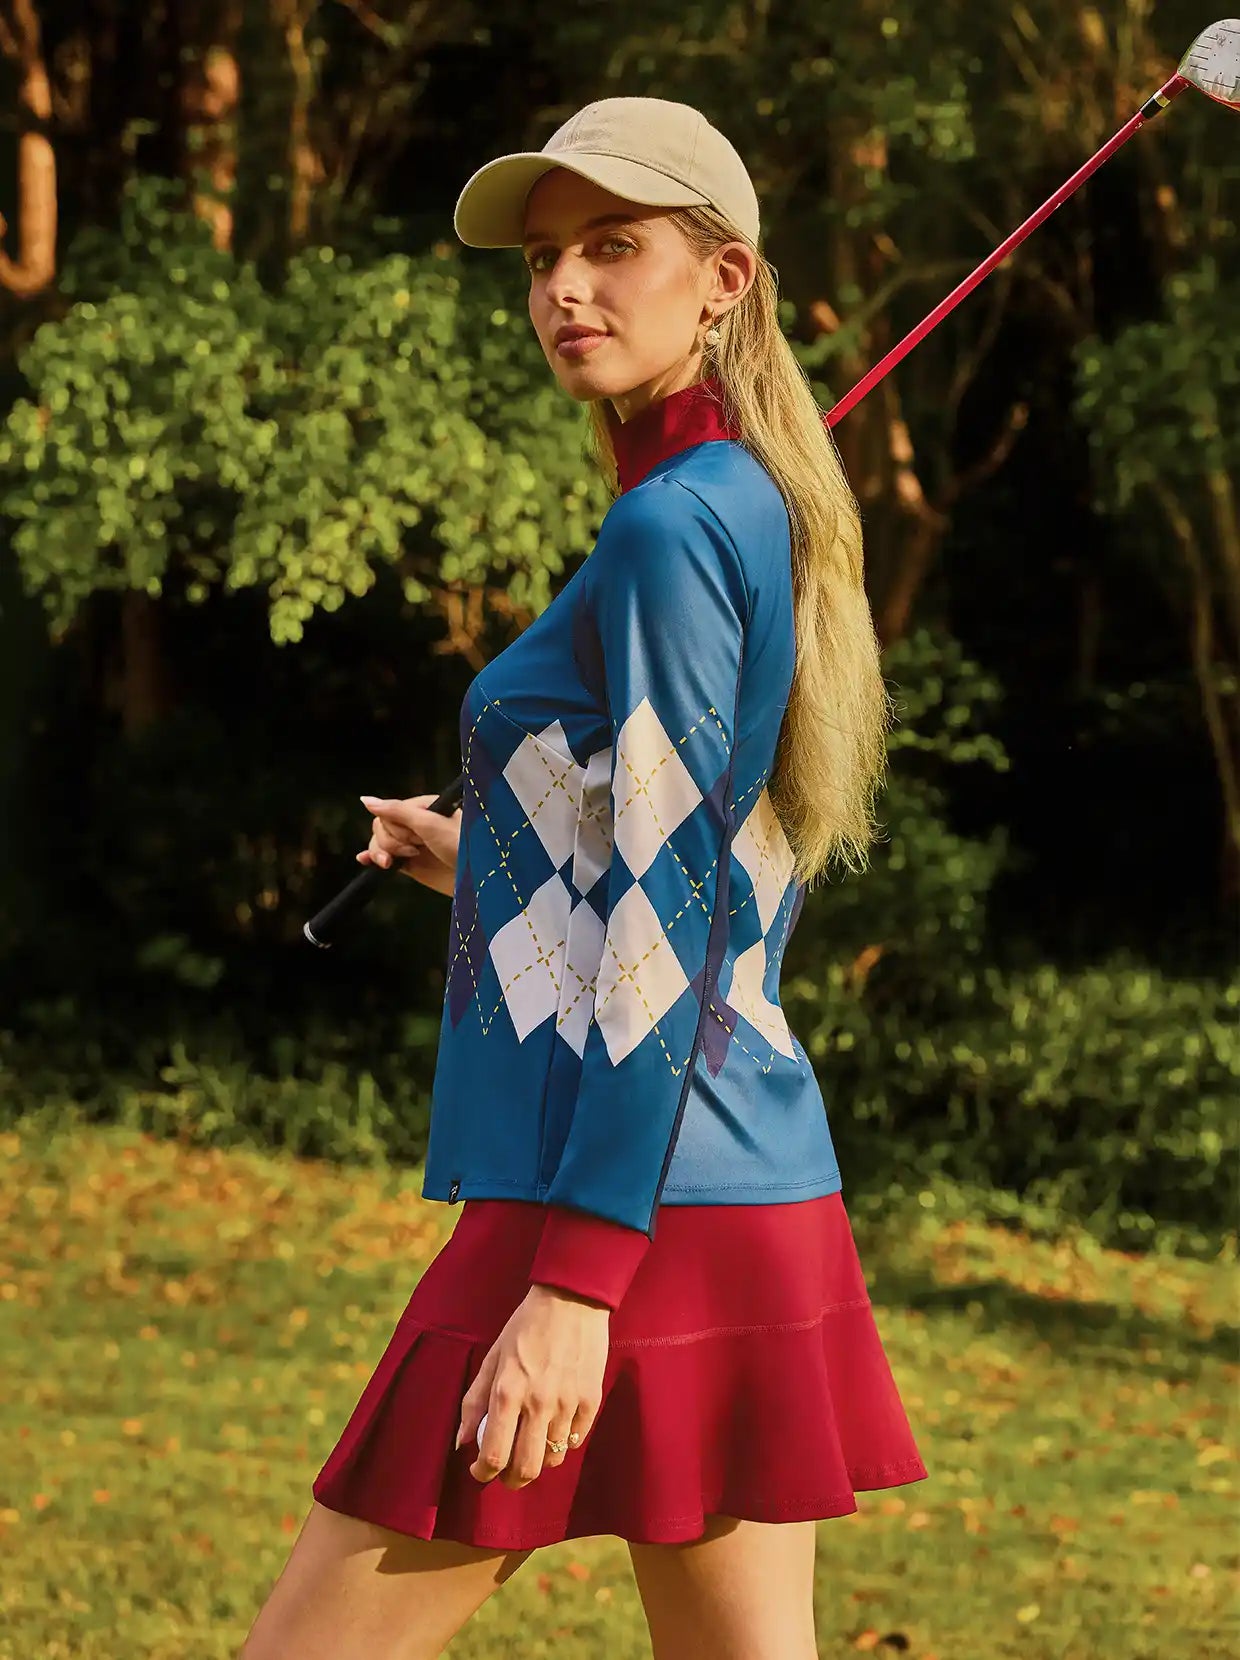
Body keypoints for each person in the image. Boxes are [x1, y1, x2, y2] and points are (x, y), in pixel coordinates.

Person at [241, 96, 926, 1660]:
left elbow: (679, 910)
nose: (566, 287)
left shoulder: (676, 528)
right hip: (748, 1174)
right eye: (546, 258)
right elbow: (713, 878)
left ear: (726, 280)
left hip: (614, 1198)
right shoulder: (730, 503)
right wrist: (482, 859)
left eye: (615, 247)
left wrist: (575, 1287)